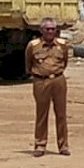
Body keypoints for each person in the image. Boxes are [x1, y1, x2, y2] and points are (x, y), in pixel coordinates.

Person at [25, 17, 70, 157]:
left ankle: (63, 146)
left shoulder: (62, 45)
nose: (50, 32)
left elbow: (65, 61)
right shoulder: (33, 45)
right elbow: (28, 64)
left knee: (61, 114)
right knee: (42, 114)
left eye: (53, 29)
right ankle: (40, 144)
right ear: (41, 30)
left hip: (58, 80)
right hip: (41, 81)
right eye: (47, 29)